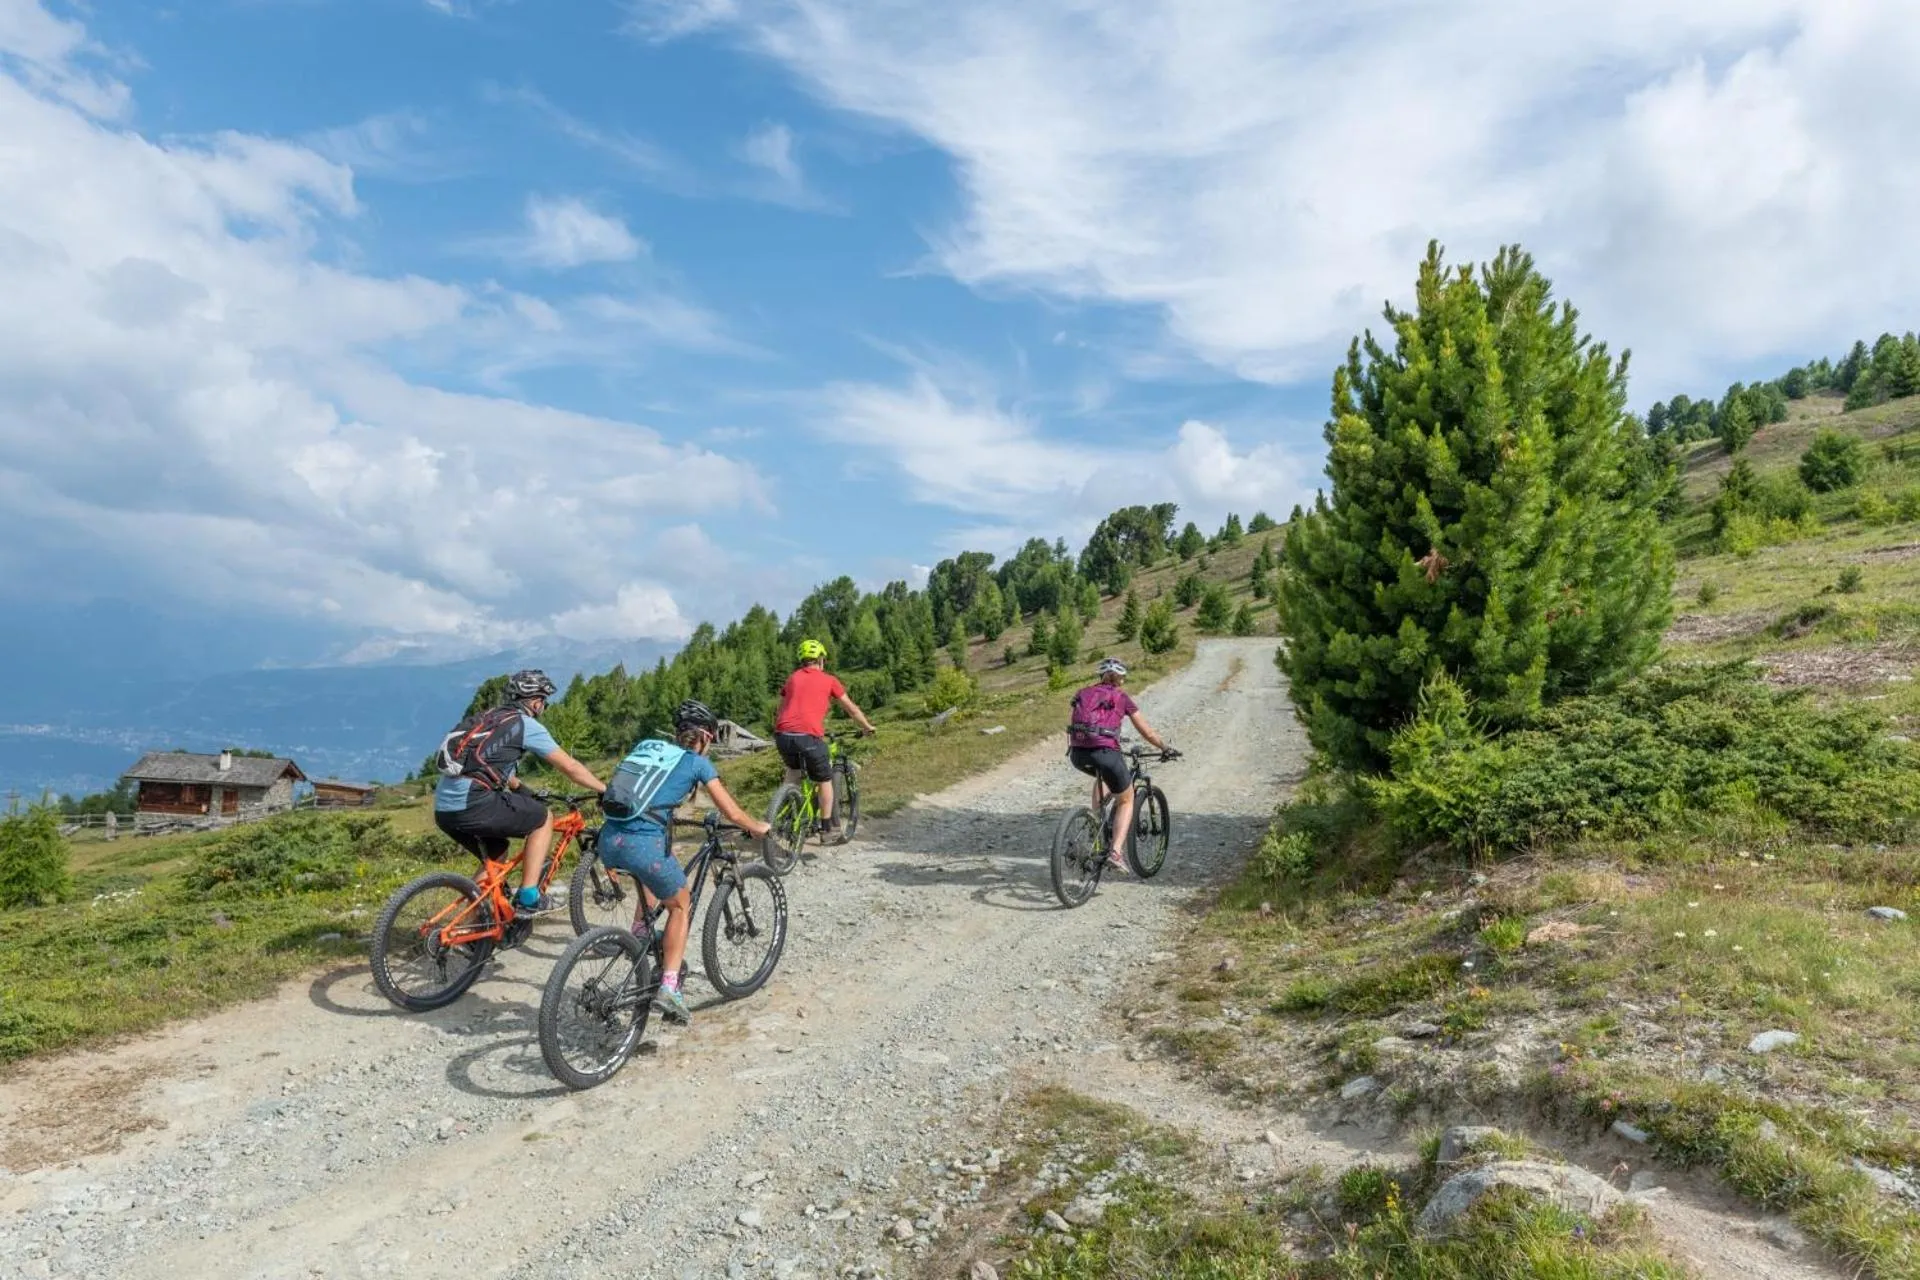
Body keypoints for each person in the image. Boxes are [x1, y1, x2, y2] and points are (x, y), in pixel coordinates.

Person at [596, 699, 772, 1024]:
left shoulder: (648, 748)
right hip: (641, 846)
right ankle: (670, 988)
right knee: (680, 903)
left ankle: (639, 933)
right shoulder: (696, 763)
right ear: (705, 737)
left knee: (651, 870)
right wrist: (757, 827)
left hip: (608, 840)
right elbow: (731, 813)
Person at [433, 670, 607, 914]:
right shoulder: (526, 725)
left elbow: (487, 766)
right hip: (474, 803)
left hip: (444, 808)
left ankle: (469, 929)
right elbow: (570, 767)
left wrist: (522, 789)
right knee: (542, 819)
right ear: (535, 701)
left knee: (496, 856)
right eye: (544, 701)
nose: (544, 706)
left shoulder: (488, 718)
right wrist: (604, 789)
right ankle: (528, 897)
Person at [1066, 657, 1176, 870]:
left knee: (1104, 777)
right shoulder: (1121, 697)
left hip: (1078, 753)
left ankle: (1095, 822)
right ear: (1121, 679)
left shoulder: (1083, 693)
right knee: (1127, 798)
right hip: (1106, 752)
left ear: (1101, 676)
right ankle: (1116, 852)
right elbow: (1147, 732)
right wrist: (1165, 748)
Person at [773, 639, 876, 838]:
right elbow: (852, 709)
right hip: (809, 737)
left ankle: (782, 812)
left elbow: (781, 707)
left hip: (783, 735)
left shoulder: (792, 678)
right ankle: (827, 828)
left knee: (793, 771)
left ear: (802, 661)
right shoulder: (829, 680)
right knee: (824, 780)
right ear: (821, 660)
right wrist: (867, 727)